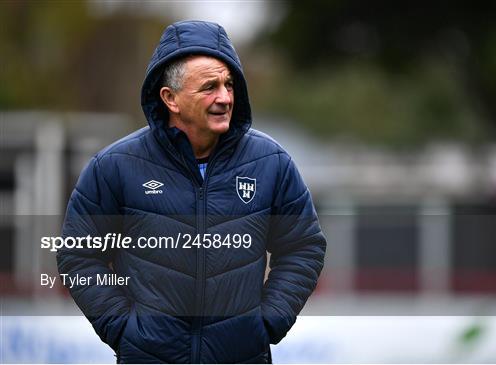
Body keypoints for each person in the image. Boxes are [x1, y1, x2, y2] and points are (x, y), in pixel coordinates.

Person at [57, 20, 326, 364]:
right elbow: (78, 254)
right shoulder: (115, 165)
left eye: (229, 84)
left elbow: (304, 247)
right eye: (209, 87)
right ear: (170, 98)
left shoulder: (272, 162)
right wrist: (124, 328)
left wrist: (266, 322)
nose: (225, 97)